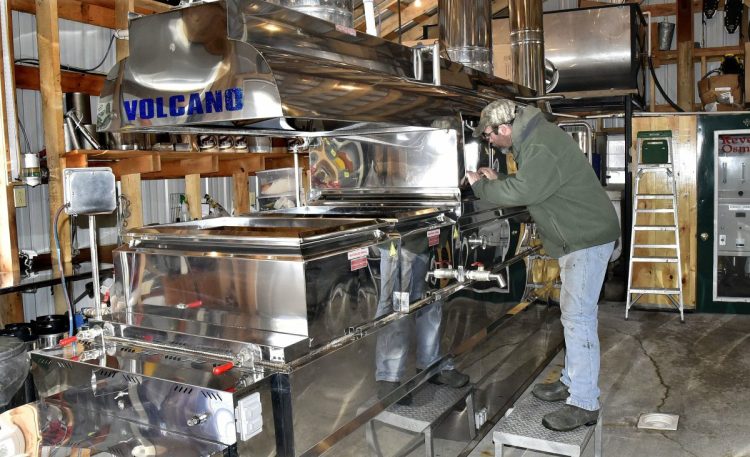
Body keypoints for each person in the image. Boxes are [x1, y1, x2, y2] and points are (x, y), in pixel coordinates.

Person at [465, 99, 619, 432]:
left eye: (489, 134)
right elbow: (535, 188)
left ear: (505, 129)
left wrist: (483, 186)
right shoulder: (533, 141)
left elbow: (527, 188)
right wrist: (500, 179)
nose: (488, 140)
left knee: (578, 318)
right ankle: (571, 380)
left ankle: (584, 402)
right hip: (579, 236)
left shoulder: (539, 145)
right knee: (574, 315)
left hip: (586, 239)